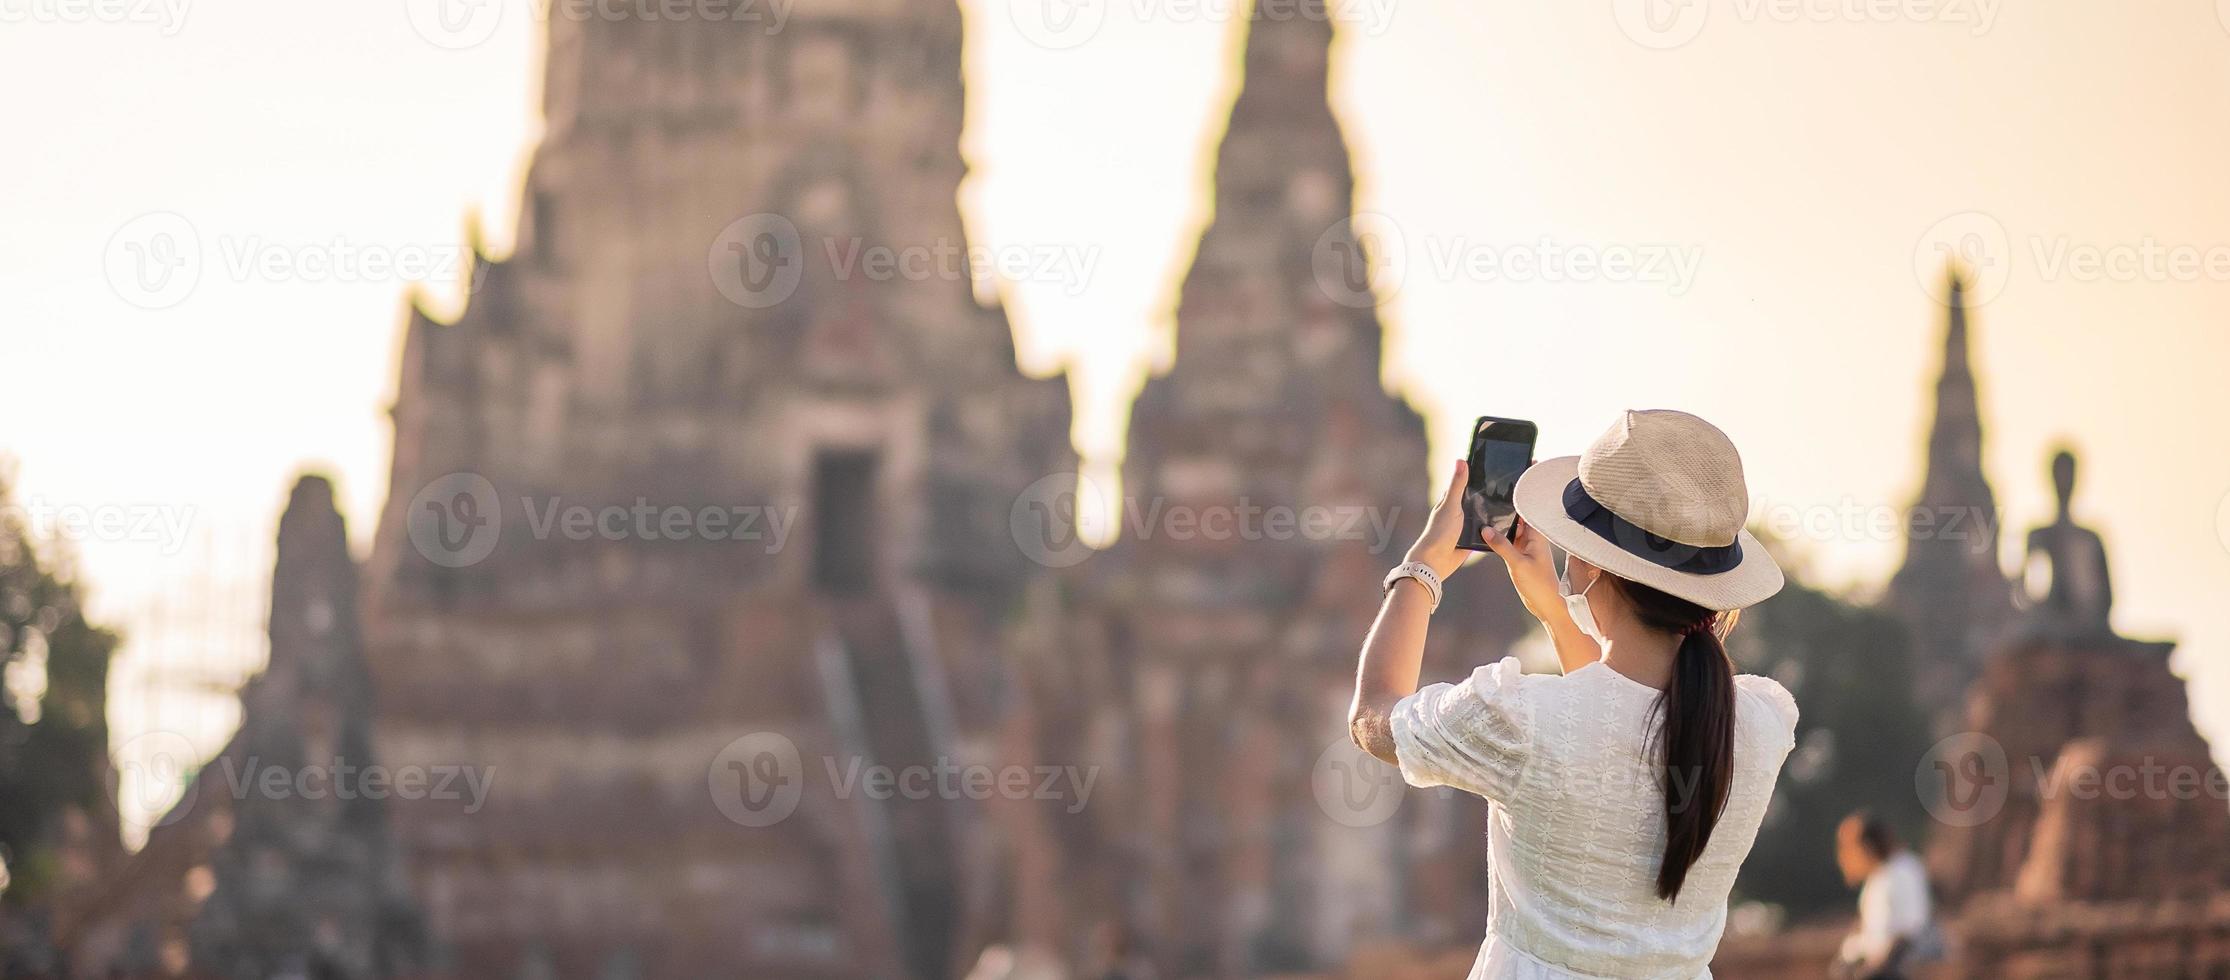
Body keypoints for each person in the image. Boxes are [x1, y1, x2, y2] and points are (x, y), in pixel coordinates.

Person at [1349, 409, 1799, 979]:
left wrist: (1422, 569)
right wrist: (1558, 617)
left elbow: (1373, 716)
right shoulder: (1761, 726)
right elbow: (1618, 712)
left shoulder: (1516, 719)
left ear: (1588, 562)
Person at [1832, 812, 1936, 980]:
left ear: (1867, 847)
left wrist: (1875, 969)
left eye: (1848, 849)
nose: (1843, 858)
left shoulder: (1902, 872)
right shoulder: (1878, 878)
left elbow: (1907, 932)